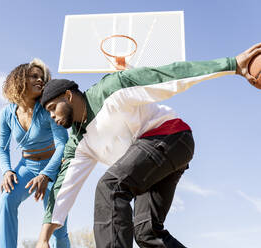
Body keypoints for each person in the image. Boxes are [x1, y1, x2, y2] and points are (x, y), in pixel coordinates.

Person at [35, 43, 261, 248]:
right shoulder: (78, 144)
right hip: (153, 163)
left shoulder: (112, 89)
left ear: (68, 96)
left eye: (53, 108)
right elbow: (63, 188)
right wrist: (43, 238)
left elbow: (168, 76)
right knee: (146, 232)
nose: (53, 116)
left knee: (110, 186)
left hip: (171, 136)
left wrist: (230, 65)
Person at [0, 58, 71, 248]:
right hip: (26, 166)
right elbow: (2, 148)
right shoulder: (6, 114)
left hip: (53, 166)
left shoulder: (48, 108)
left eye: (42, 77)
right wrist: (7, 171)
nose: (40, 80)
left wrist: (46, 174)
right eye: (34, 76)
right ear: (20, 80)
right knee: (7, 198)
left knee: (57, 226)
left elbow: (63, 144)